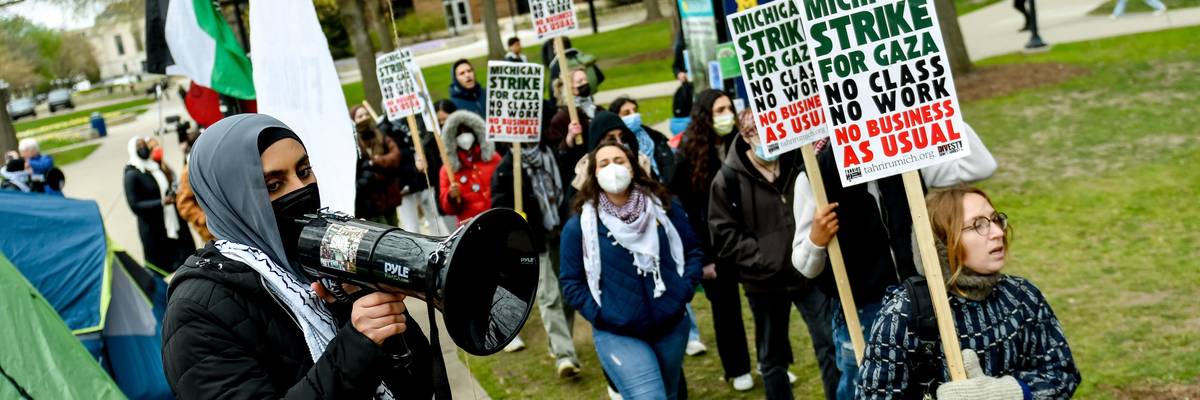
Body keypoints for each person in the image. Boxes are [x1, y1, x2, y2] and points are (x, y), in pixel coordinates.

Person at [161, 114, 433, 398]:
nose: (301, 190)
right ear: (231, 200)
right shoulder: (194, 314)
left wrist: (360, 299)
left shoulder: (319, 260)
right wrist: (356, 347)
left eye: (304, 171)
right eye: (274, 185)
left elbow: (419, 381)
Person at [790, 124, 997, 400]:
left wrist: (938, 109)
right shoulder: (816, 175)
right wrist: (816, 240)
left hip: (922, 299)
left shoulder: (906, 152)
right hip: (862, 312)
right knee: (862, 387)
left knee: (927, 383)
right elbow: (804, 264)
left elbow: (980, 166)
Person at [857, 185, 1081, 398]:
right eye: (977, 225)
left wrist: (1007, 393)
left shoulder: (1022, 296)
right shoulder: (903, 314)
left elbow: (1062, 373)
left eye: (995, 220)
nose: (996, 232)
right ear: (942, 242)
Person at [709, 109, 839, 400]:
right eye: (756, 131)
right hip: (764, 284)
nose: (766, 137)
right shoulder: (727, 179)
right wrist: (766, 259)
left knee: (829, 344)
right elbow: (724, 236)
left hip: (808, 276)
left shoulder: (799, 161)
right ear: (744, 136)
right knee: (772, 358)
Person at [560, 140, 704, 400]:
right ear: (593, 174)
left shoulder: (665, 208)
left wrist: (682, 292)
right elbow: (571, 282)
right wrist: (602, 314)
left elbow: (692, 250)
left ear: (633, 167)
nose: (612, 168)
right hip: (618, 332)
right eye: (603, 164)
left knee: (671, 393)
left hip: (670, 325)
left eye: (619, 161)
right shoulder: (580, 227)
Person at [668, 89, 756, 391]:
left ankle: (772, 362)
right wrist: (703, 258)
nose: (726, 115)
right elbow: (685, 213)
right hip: (714, 249)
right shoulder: (688, 158)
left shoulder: (742, 145)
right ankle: (738, 368)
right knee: (726, 311)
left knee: (763, 305)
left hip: (749, 240)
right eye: (719, 110)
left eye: (729, 108)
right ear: (706, 115)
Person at [490, 132, 583, 377]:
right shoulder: (506, 169)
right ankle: (565, 356)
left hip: (562, 233)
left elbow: (571, 184)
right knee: (548, 296)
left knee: (568, 294)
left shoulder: (552, 153)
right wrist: (514, 220)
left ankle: (559, 342)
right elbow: (499, 208)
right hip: (534, 242)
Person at [124, 137, 195, 273]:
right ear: (133, 149)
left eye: (144, 145)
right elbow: (135, 205)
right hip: (154, 229)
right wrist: (161, 202)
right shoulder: (132, 174)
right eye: (139, 146)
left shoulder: (154, 167)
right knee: (163, 268)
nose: (143, 148)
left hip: (171, 220)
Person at [437, 110, 500, 225]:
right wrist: (451, 197)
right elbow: (448, 209)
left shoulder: (494, 159)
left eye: (467, 131)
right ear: (452, 139)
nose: (464, 137)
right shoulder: (448, 170)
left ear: (476, 133)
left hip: (498, 220)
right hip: (470, 227)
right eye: (459, 134)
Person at [549, 67, 603, 188]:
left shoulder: (598, 110)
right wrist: (569, 138)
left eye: (585, 80)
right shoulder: (562, 118)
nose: (585, 83)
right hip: (580, 176)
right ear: (570, 88)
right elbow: (558, 153)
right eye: (580, 82)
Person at [351, 105, 404, 226]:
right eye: (360, 116)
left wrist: (377, 161)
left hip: (388, 195)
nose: (365, 118)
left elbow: (395, 156)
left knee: (395, 229)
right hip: (370, 201)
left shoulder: (381, 135)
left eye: (366, 114)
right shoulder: (353, 142)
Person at [609, 97, 676, 184]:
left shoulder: (652, 134)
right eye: (626, 113)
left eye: (635, 110)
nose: (634, 115)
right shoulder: (617, 143)